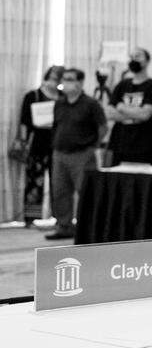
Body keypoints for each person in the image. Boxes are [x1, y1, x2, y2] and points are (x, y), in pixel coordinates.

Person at [45, 68, 107, 240]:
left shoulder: (91, 104)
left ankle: (87, 227)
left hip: (82, 154)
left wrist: (92, 147)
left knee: (85, 192)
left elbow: (102, 127)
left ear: (80, 83)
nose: (65, 82)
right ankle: (64, 226)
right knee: (60, 192)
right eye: (64, 79)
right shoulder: (60, 103)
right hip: (60, 154)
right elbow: (56, 126)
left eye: (70, 79)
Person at [16, 65, 62, 225]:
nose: (54, 81)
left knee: (59, 183)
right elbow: (24, 121)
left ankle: (60, 217)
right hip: (37, 145)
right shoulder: (33, 95)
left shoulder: (63, 97)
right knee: (34, 182)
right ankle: (30, 218)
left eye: (58, 79)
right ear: (46, 77)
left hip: (59, 145)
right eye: (52, 77)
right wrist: (22, 142)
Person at [105, 47, 152, 166]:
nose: (134, 59)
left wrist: (121, 108)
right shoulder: (122, 85)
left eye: (138, 56)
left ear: (147, 61)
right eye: (131, 57)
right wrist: (134, 115)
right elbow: (109, 113)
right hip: (119, 142)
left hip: (143, 144)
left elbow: (145, 115)